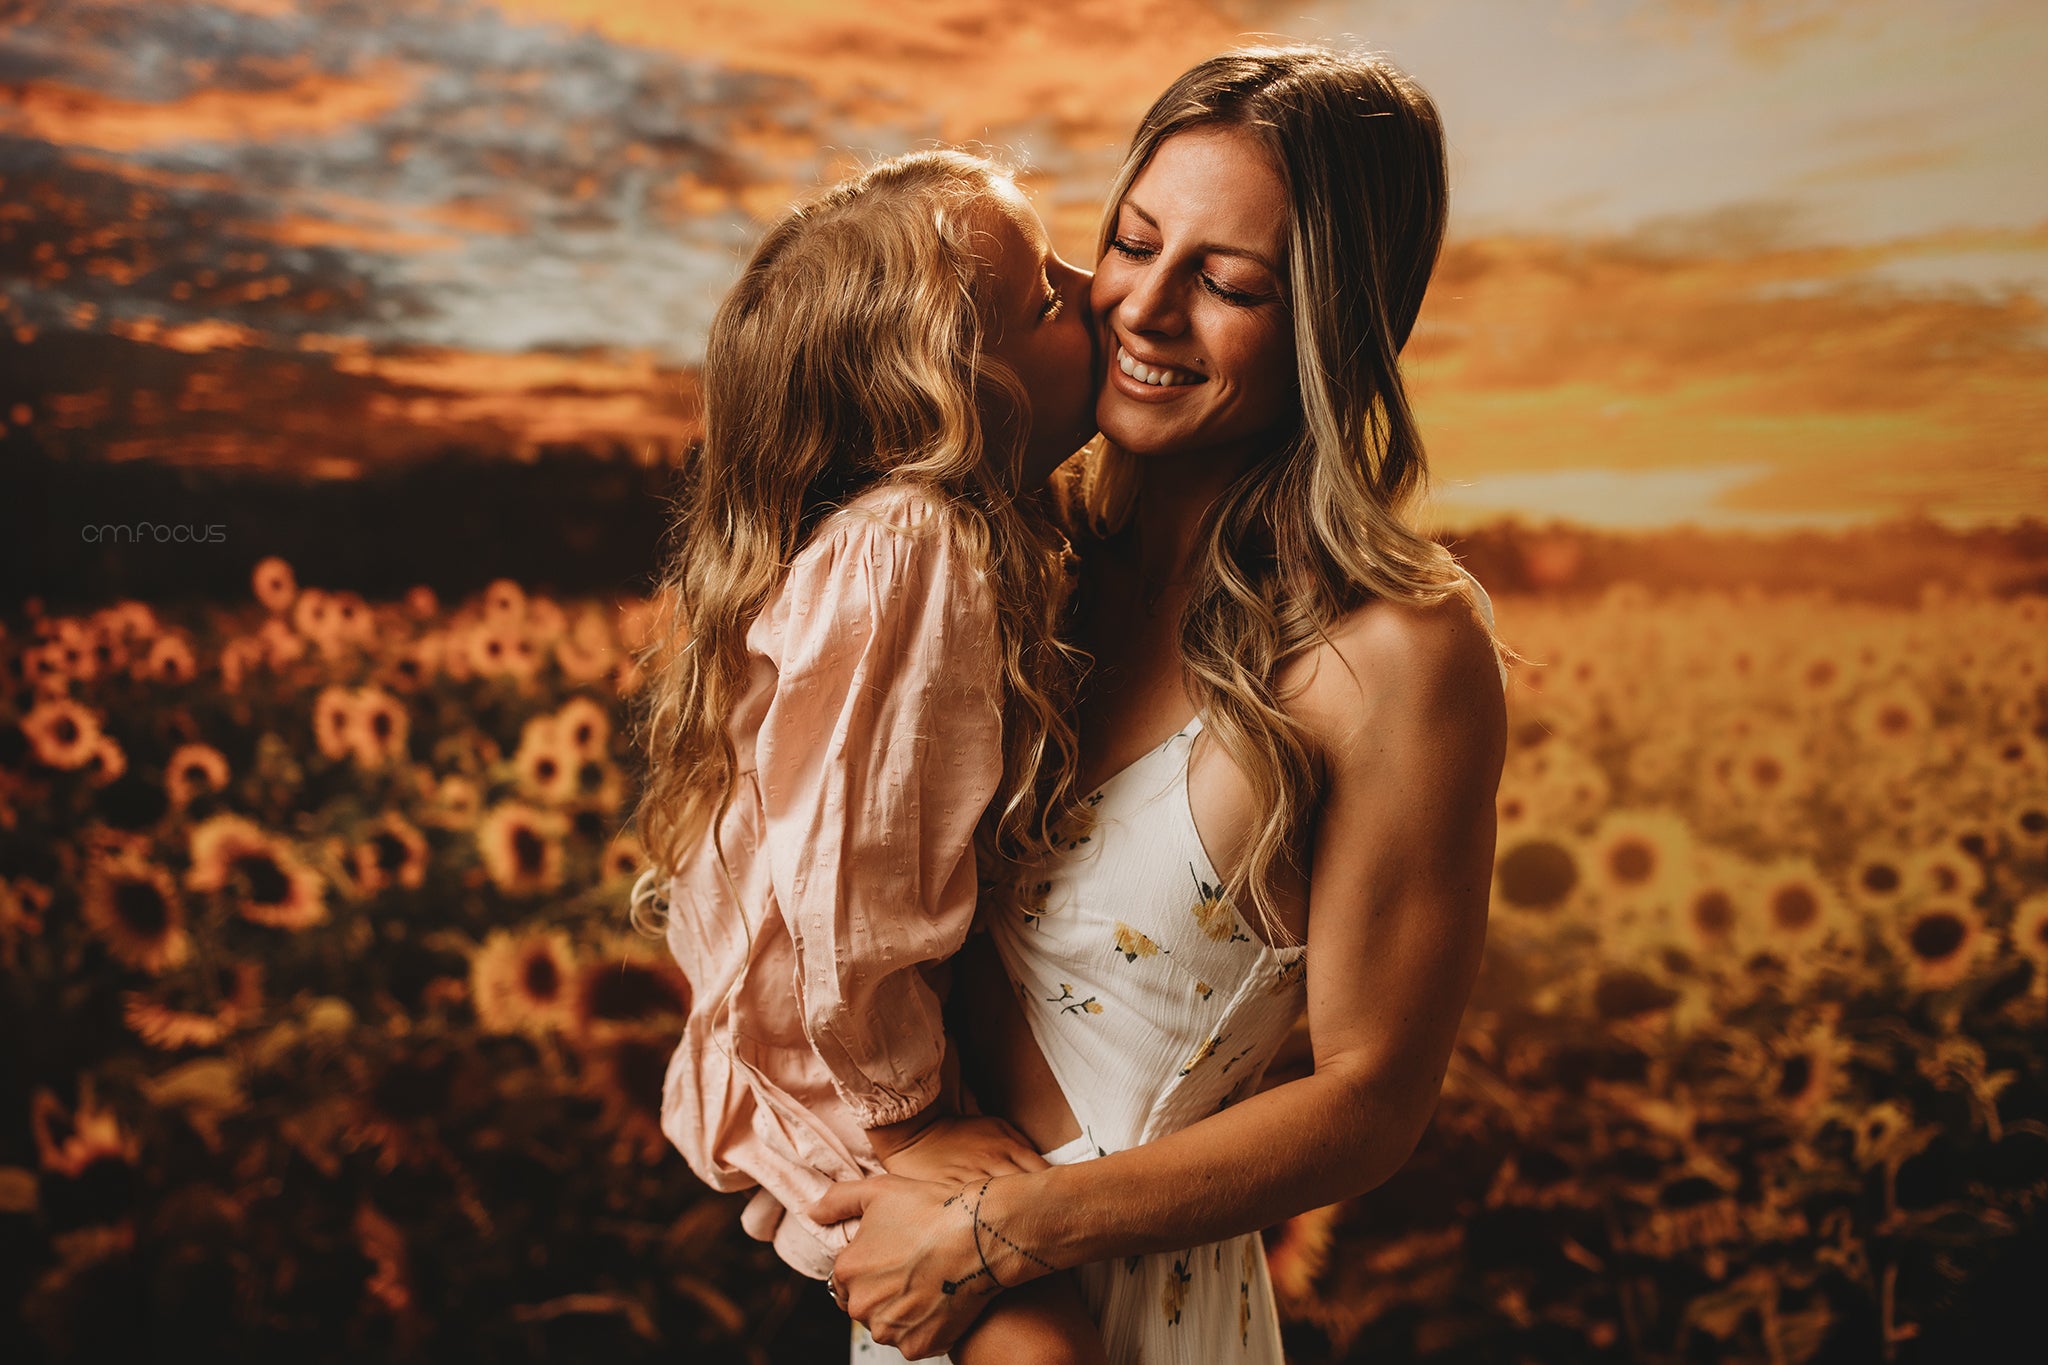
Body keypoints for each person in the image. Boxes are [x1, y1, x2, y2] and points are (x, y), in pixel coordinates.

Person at [811, 45, 1512, 1364]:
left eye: (1229, 282)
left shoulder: (1397, 648)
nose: (1144, 308)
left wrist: (1021, 1230)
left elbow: (1374, 1095)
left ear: (1332, 326)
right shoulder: (1005, 561)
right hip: (936, 1302)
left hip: (1128, 1307)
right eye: (1134, 243)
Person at [628, 149, 1112, 1363]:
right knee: (1040, 1344)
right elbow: (844, 896)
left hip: (811, 1055)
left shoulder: (916, 545)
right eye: (1044, 299)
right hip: (845, 1076)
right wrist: (906, 1132)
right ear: (955, 390)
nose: (1095, 282)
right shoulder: (915, 545)